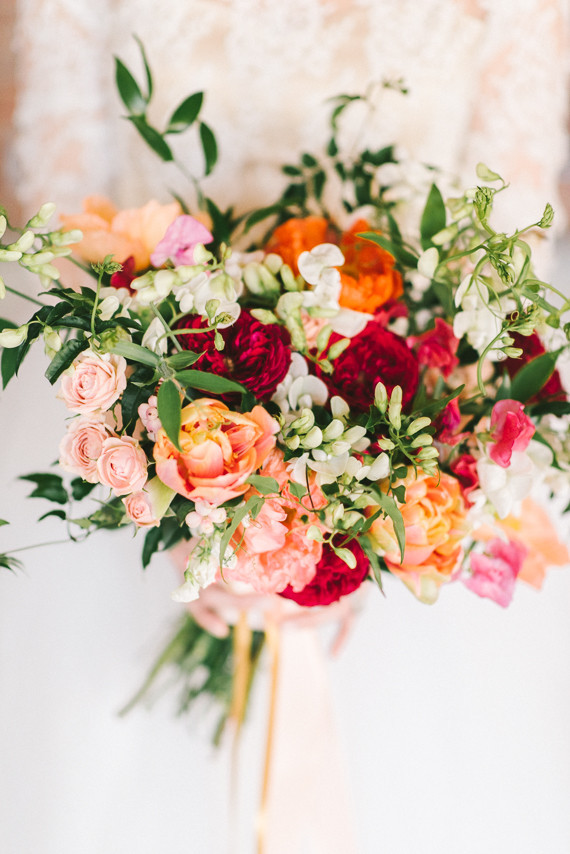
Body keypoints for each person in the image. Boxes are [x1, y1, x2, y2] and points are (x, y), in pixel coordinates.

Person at [1, 2, 570, 852]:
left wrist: (353, 527)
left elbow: (503, 258)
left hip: (404, 459)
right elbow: (56, 234)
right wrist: (179, 486)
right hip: (133, 428)